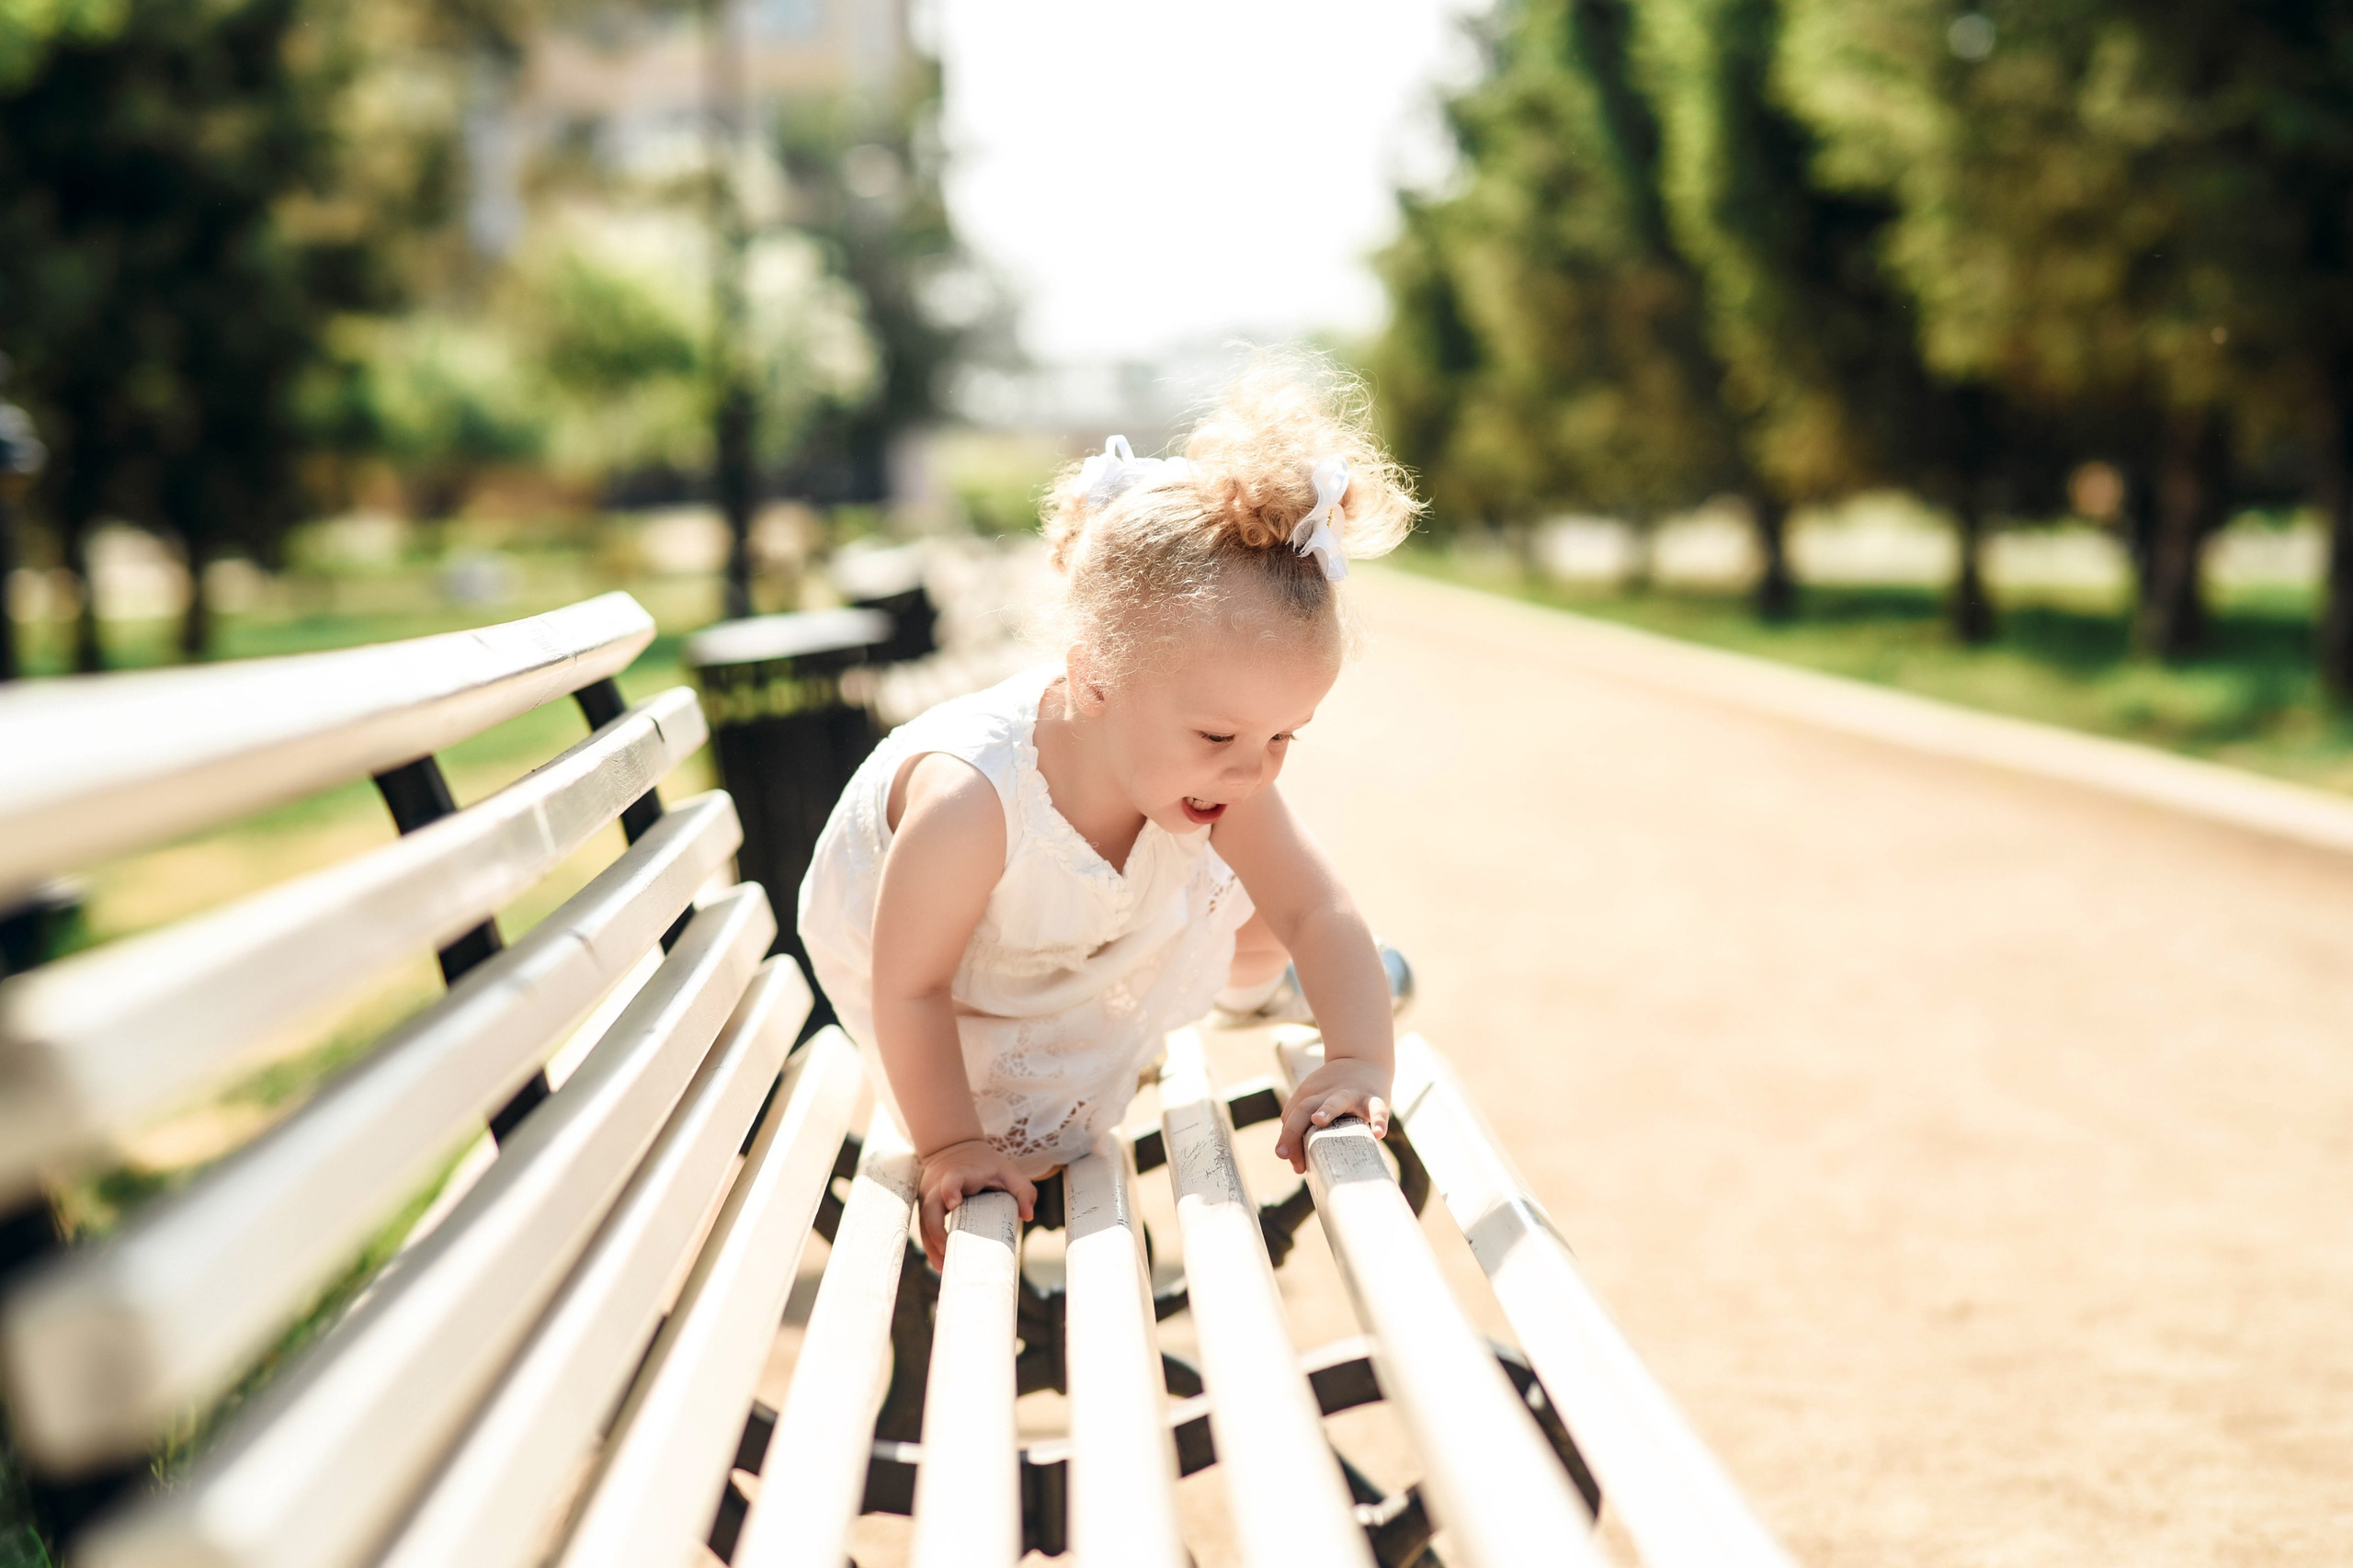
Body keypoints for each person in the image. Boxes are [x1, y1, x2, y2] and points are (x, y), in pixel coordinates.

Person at [798, 358, 1419, 1265]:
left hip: (1058, 943)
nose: (1253, 768)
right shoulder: (970, 799)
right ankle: (1252, 985)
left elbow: (1320, 906)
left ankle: (1256, 985)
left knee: (1269, 905)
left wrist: (1359, 1059)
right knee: (1209, 895)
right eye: (1219, 736)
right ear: (1093, 678)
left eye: (1286, 736)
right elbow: (912, 985)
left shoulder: (1206, 766)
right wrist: (951, 1146)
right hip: (950, 994)